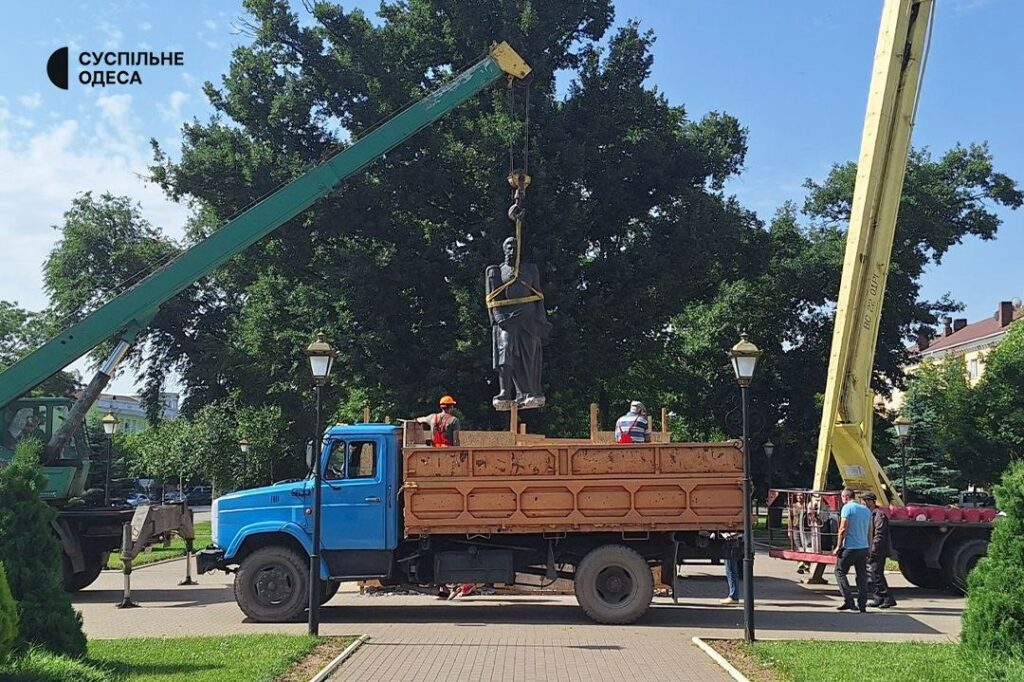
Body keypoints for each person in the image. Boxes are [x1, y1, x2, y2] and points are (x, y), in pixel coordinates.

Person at [486, 236, 551, 410]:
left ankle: (529, 392)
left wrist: (542, 319)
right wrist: (498, 318)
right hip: (507, 320)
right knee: (505, 350)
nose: (512, 250)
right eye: (509, 247)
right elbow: (492, 298)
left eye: (515, 247)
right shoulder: (497, 271)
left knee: (529, 355)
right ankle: (505, 391)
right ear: (503, 249)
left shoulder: (530, 270)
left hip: (528, 318)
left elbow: (539, 297)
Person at [833, 488, 871, 612]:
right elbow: (870, 530)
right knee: (861, 576)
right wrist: (869, 546)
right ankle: (862, 605)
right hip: (863, 547)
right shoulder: (866, 510)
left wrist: (838, 546)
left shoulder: (847, 508)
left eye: (842, 497)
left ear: (845, 497)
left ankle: (849, 601)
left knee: (839, 571)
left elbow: (842, 529)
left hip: (850, 547)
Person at [863, 492, 897, 608]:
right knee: (873, 574)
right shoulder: (870, 514)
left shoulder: (879, 515)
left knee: (876, 574)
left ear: (871, 501)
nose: (864, 503)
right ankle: (878, 598)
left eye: (866, 501)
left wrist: (873, 549)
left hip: (878, 550)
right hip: (871, 549)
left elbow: (879, 534)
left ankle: (888, 598)